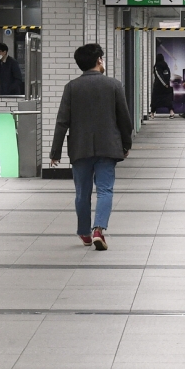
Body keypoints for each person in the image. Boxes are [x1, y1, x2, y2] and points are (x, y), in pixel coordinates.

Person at [50, 44, 133, 251]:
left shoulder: (71, 87)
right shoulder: (114, 85)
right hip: (108, 147)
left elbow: (62, 121)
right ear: (99, 61)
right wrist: (126, 143)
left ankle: (85, 233)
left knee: (82, 192)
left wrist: (55, 152)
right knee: (105, 190)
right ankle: (99, 229)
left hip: (80, 148)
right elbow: (124, 119)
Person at [150, 54, 175, 119]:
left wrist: (164, 84)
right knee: (168, 100)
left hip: (158, 87)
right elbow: (168, 75)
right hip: (166, 87)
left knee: (155, 100)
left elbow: (158, 76)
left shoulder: (157, 66)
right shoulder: (166, 65)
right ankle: (171, 113)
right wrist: (167, 83)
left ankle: (152, 113)